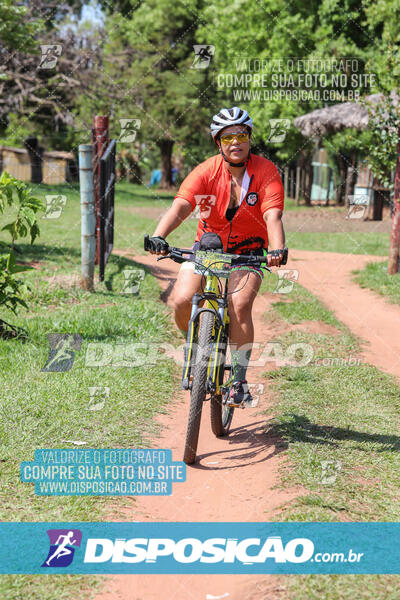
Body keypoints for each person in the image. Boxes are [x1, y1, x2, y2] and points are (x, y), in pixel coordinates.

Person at [147, 107, 286, 407]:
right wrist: (160, 236)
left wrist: (275, 250)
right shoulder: (206, 171)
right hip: (208, 248)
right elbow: (181, 207)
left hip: (248, 253)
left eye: (241, 135)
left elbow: (273, 216)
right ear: (218, 143)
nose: (235, 142)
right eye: (227, 138)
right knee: (182, 299)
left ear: (249, 138)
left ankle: (238, 380)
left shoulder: (266, 171)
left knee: (239, 304)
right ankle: (196, 345)